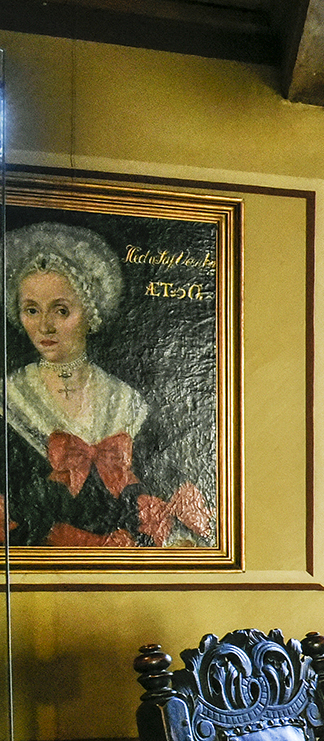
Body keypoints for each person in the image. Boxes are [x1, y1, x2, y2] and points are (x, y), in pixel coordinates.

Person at [4, 221, 212, 547]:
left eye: (61, 310)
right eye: (31, 310)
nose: (45, 325)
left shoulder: (125, 402)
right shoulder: (11, 398)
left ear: (90, 312)